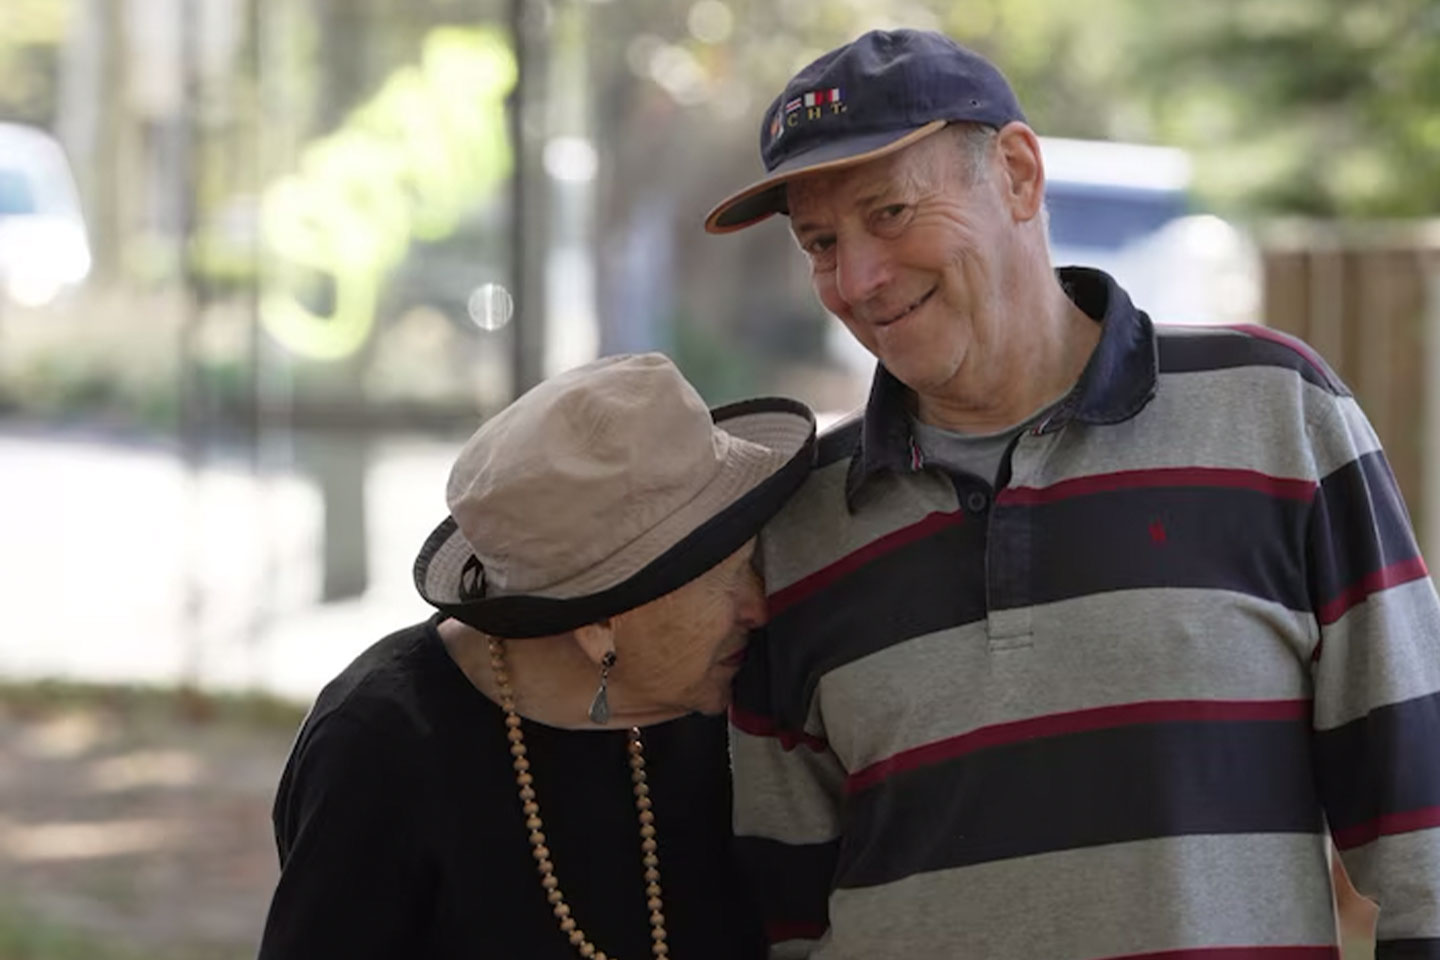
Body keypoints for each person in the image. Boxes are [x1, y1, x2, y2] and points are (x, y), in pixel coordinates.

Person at [704, 28, 1440, 959]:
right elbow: (784, 916)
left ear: (1016, 174)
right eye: (821, 242)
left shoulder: (1276, 415)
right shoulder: (801, 522)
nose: (857, 280)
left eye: (889, 213)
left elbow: (1425, 830)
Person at [257, 352, 815, 959]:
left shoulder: (735, 692)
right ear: (600, 623)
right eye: (725, 577)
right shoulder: (379, 747)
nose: (759, 607)